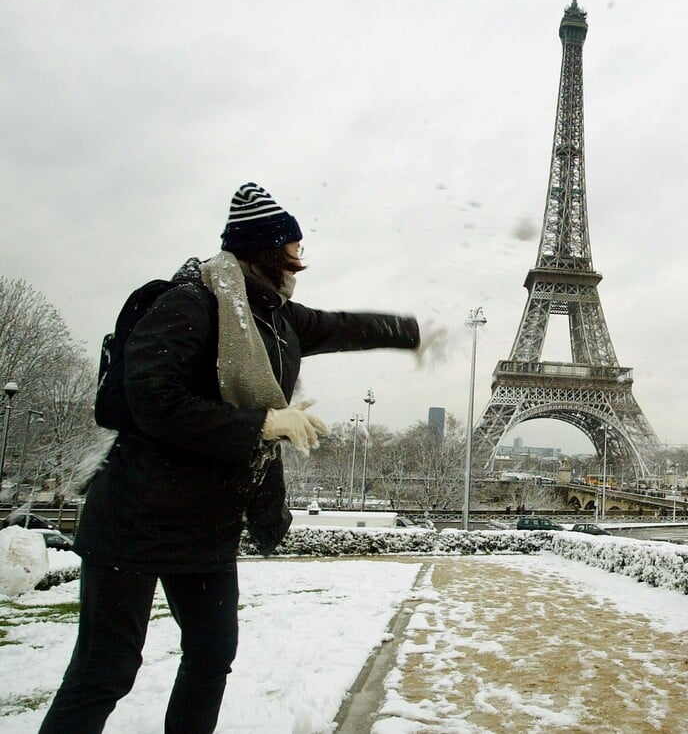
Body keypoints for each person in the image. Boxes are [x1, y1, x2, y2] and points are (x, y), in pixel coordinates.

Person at [39, 183, 427, 734]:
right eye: (294, 249)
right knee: (107, 669)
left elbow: (342, 326)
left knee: (211, 657)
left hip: (205, 526)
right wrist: (264, 423)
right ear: (266, 251)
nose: (301, 260)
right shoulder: (189, 303)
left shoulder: (277, 316)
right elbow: (153, 399)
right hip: (133, 517)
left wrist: (416, 332)